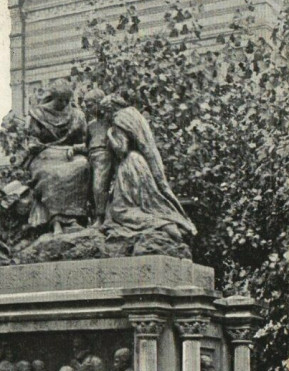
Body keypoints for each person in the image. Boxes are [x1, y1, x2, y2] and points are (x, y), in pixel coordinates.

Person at [105, 107, 196, 257]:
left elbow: (121, 149)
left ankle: (164, 225)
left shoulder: (118, 120)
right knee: (146, 204)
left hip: (129, 166)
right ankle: (170, 224)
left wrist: (109, 134)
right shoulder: (132, 116)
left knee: (120, 210)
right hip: (140, 165)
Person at [25, 79, 90, 234]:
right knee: (50, 173)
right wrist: (35, 145)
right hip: (45, 155)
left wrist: (75, 149)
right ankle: (55, 221)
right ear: (53, 97)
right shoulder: (38, 113)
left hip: (69, 154)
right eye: (60, 100)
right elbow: (32, 140)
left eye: (67, 100)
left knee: (82, 166)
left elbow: (84, 142)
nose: (64, 103)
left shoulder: (77, 115)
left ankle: (74, 219)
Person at [83, 88, 113, 227]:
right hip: (90, 156)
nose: (87, 109)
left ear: (99, 104)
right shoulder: (90, 125)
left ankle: (101, 217)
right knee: (88, 187)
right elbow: (85, 143)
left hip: (104, 155)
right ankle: (92, 215)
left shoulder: (110, 121)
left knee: (99, 186)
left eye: (90, 105)